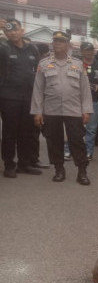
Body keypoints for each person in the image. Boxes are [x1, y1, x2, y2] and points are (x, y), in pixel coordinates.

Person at [31, 31, 93, 185]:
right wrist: (37, 112)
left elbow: (85, 89)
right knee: (54, 140)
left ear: (68, 45)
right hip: (51, 110)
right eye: (55, 41)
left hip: (73, 110)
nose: (57, 43)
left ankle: (82, 172)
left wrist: (86, 110)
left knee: (77, 140)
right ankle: (59, 169)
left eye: (61, 41)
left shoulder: (78, 64)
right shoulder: (43, 64)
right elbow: (38, 89)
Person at [0, 18, 42, 178]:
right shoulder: (3, 48)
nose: (12, 32)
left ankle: (24, 164)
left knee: (27, 132)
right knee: (10, 132)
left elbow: (39, 71)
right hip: (9, 97)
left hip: (29, 97)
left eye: (15, 29)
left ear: (22, 30)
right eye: (8, 30)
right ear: (5, 33)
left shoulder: (32, 49)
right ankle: (9, 165)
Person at [80, 42, 98, 160]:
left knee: (91, 129)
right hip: (77, 101)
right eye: (86, 50)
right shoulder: (77, 65)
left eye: (91, 50)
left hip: (93, 101)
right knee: (74, 127)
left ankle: (88, 152)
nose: (89, 52)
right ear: (82, 52)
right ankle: (69, 150)